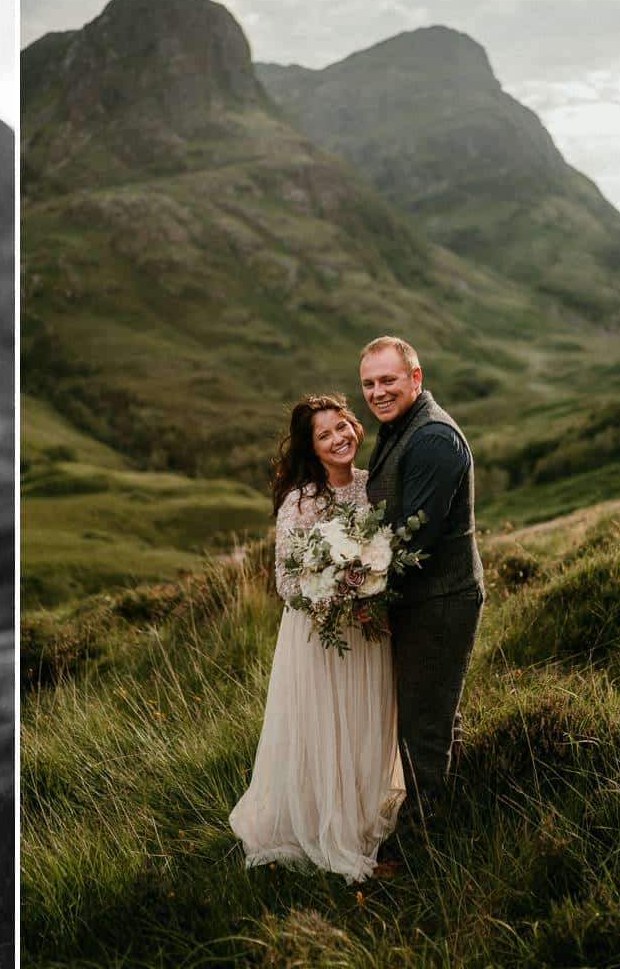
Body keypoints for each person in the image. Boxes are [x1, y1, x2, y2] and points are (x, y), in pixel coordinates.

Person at [229, 394, 404, 883]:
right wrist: (336, 593)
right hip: (321, 638)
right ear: (312, 447)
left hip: (368, 635)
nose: (338, 438)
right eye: (324, 435)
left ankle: (363, 821)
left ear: (354, 426)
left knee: (364, 727)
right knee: (327, 732)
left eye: (342, 427)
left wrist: (369, 586)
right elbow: (286, 583)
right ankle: (335, 840)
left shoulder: (372, 486)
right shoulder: (301, 501)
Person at [359, 335, 484, 819]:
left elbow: (414, 544)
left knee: (423, 730)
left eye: (387, 380)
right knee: (431, 718)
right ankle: (446, 819)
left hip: (439, 603)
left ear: (416, 377)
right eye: (368, 384)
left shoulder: (433, 439)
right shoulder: (400, 427)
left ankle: (422, 850)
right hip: (421, 601)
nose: (378, 392)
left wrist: (361, 594)